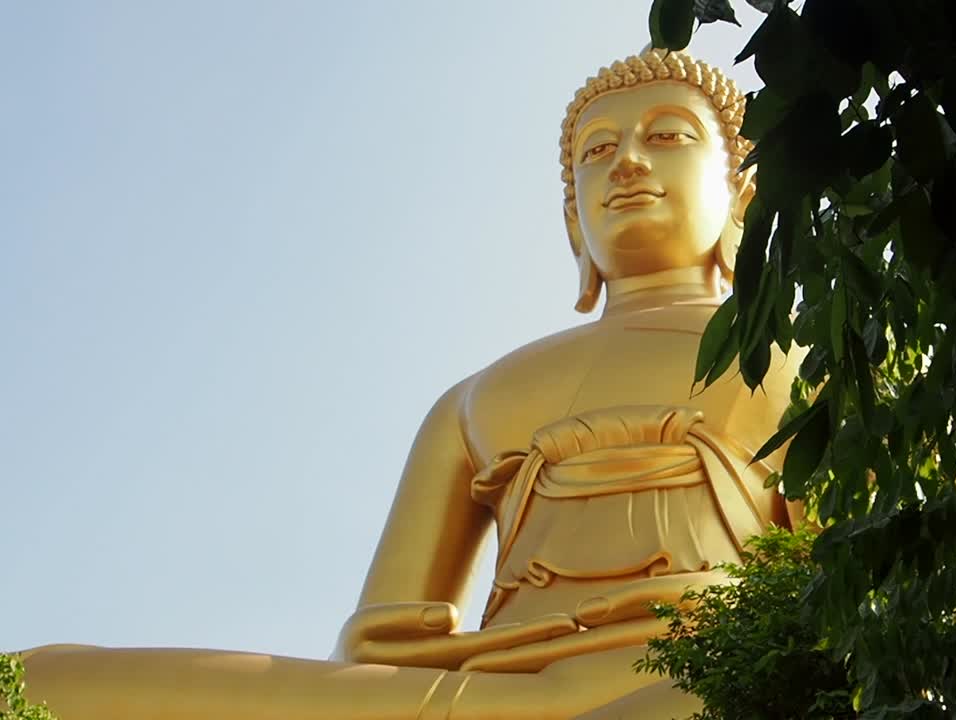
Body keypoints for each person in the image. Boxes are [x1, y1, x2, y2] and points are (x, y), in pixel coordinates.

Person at [15, 49, 802, 720]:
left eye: (666, 136)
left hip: (702, 664)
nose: (627, 161)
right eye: (596, 151)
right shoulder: (479, 397)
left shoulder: (805, 357)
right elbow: (378, 643)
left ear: (743, 194)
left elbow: (854, 587)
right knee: (41, 680)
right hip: (481, 694)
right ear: (573, 223)